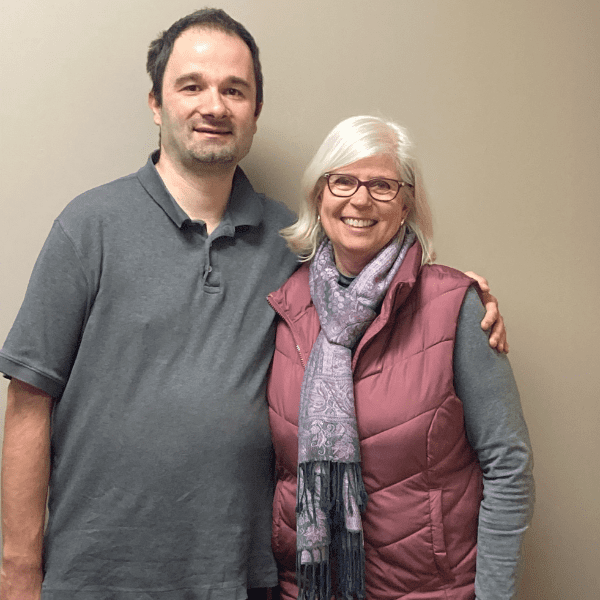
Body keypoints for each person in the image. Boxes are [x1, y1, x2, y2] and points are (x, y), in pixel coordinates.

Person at [0, 9, 506, 600]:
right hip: (95, 576)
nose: (214, 105)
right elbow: (29, 403)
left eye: (234, 90)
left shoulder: (293, 242)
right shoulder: (88, 227)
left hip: (240, 578)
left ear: (255, 112)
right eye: (192, 86)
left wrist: (463, 296)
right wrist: (16, 572)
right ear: (156, 104)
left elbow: (375, 284)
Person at [267, 116, 534, 600]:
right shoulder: (284, 306)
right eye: (342, 181)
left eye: (383, 185)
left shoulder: (454, 304)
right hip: (307, 590)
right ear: (318, 195)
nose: (360, 199)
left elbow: (508, 464)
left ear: (407, 201)